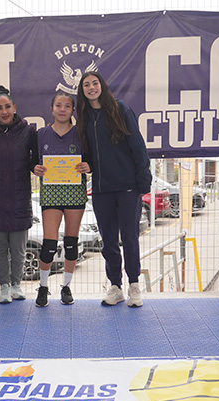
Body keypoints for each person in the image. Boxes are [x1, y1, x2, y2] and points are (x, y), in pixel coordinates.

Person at [76, 71, 152, 307]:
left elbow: (137, 145)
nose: (91, 88)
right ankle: (116, 287)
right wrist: (87, 165)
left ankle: (134, 286)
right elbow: (88, 153)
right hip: (101, 189)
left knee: (129, 238)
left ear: (102, 85)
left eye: (95, 83)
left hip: (127, 187)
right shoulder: (84, 117)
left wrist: (143, 179)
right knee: (108, 242)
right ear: (82, 90)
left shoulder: (120, 109)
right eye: (86, 85)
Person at [0, 85, 37, 304]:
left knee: (19, 249)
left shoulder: (28, 132)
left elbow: (35, 162)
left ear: (14, 107)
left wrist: (38, 167)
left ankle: (16, 285)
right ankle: (3, 286)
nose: (4, 111)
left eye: (7, 107)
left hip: (20, 198)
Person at [32, 92, 90, 307]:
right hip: (51, 192)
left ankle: (66, 286)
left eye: (67, 106)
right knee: (49, 243)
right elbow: (32, 161)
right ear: (52, 109)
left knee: (71, 243)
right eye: (58, 105)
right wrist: (35, 168)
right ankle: (43, 286)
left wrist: (88, 166)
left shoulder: (81, 134)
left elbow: (91, 160)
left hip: (75, 191)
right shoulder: (41, 134)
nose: (62, 109)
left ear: (73, 110)